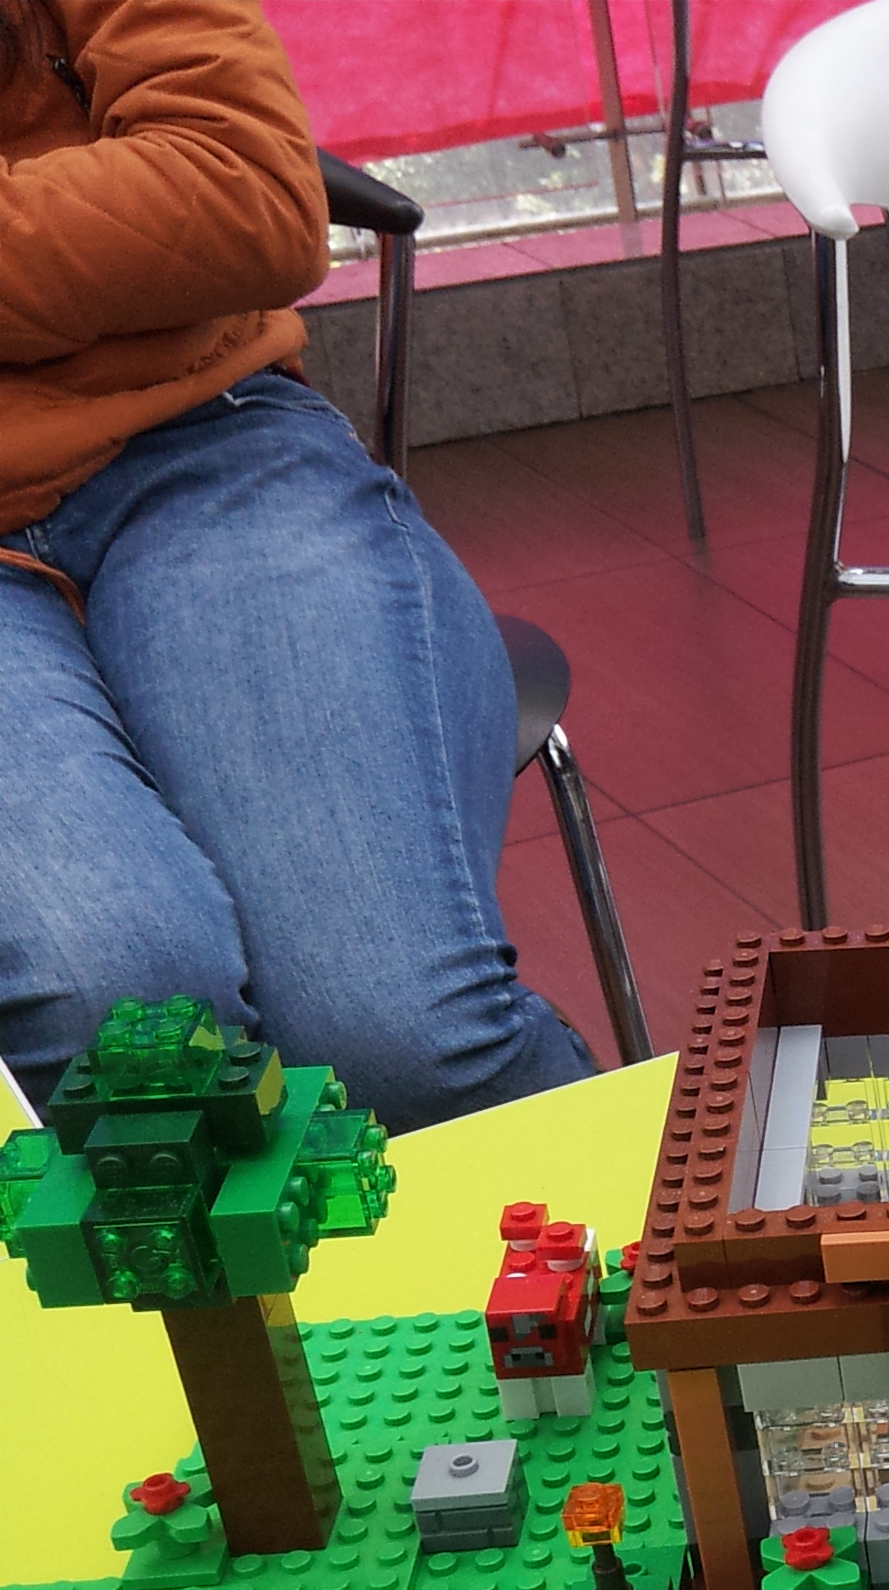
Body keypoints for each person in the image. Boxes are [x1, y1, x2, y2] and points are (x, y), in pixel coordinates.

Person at [1, 0, 593, 1132]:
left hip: (198, 447)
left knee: (396, 1042)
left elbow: (246, 196)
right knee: (125, 1029)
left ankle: (646, 1234)